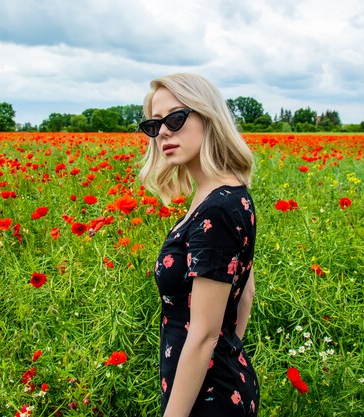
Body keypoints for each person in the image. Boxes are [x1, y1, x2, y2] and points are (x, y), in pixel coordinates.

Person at [138, 73, 259, 417]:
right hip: (213, 387)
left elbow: (205, 334)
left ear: (208, 116)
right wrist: (226, 354)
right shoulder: (225, 194)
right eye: (154, 125)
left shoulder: (217, 209)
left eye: (175, 119)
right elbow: (245, 293)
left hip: (207, 400)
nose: (162, 132)